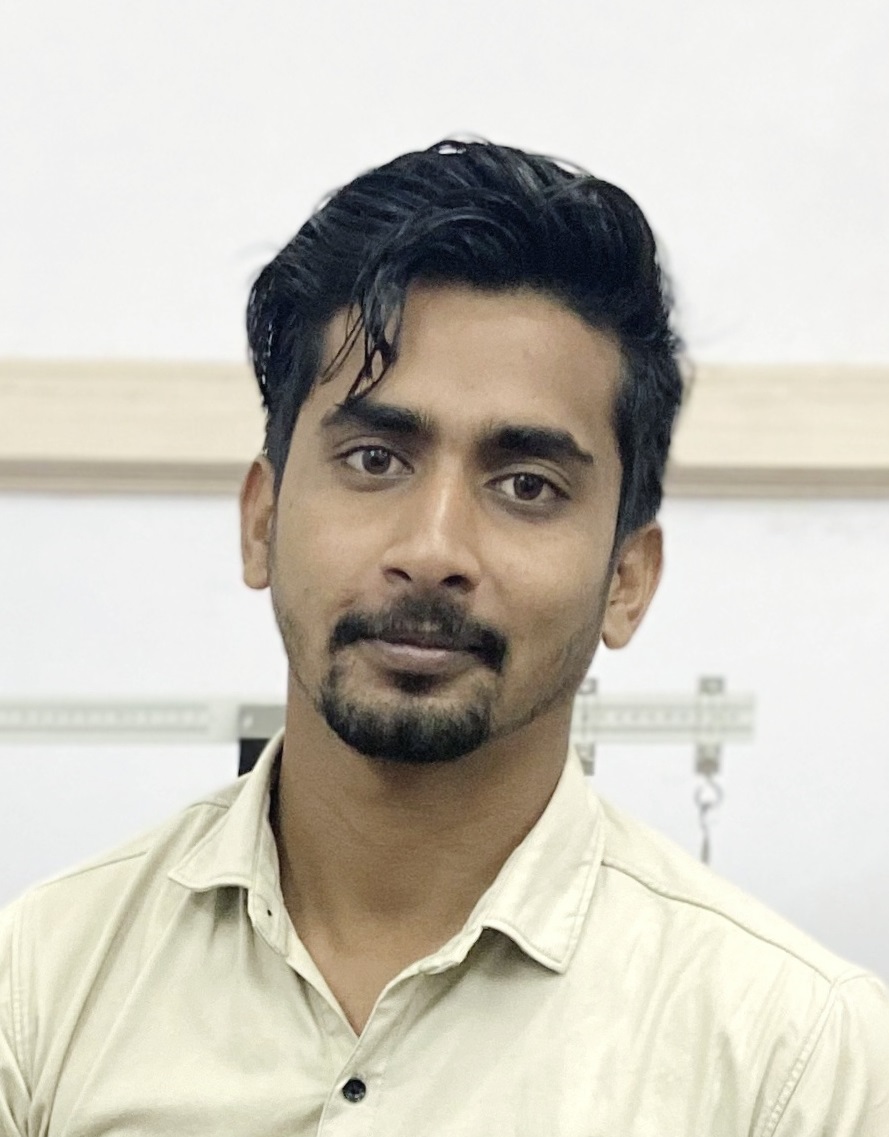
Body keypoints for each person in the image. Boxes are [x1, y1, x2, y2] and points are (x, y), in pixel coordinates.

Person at [1, 139, 887, 1135]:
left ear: (626, 581)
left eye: (526, 485)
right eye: (375, 459)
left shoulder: (794, 1061)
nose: (432, 550)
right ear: (261, 520)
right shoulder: (38, 987)